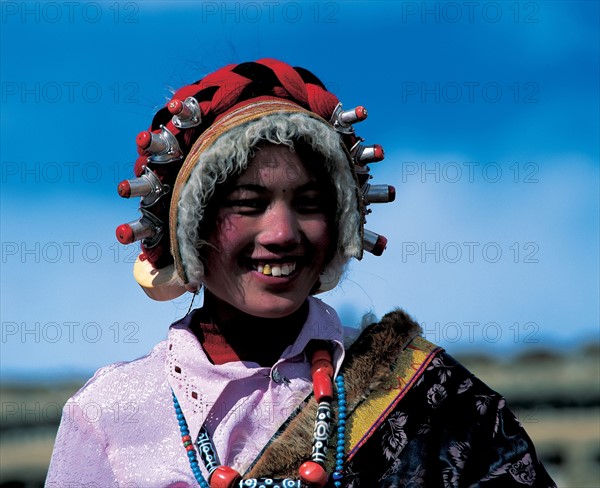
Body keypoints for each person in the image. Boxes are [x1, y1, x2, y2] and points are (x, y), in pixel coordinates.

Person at [46, 59, 556, 488]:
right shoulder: (110, 416)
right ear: (189, 229)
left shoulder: (430, 400)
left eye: (310, 204)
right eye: (248, 204)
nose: (283, 232)